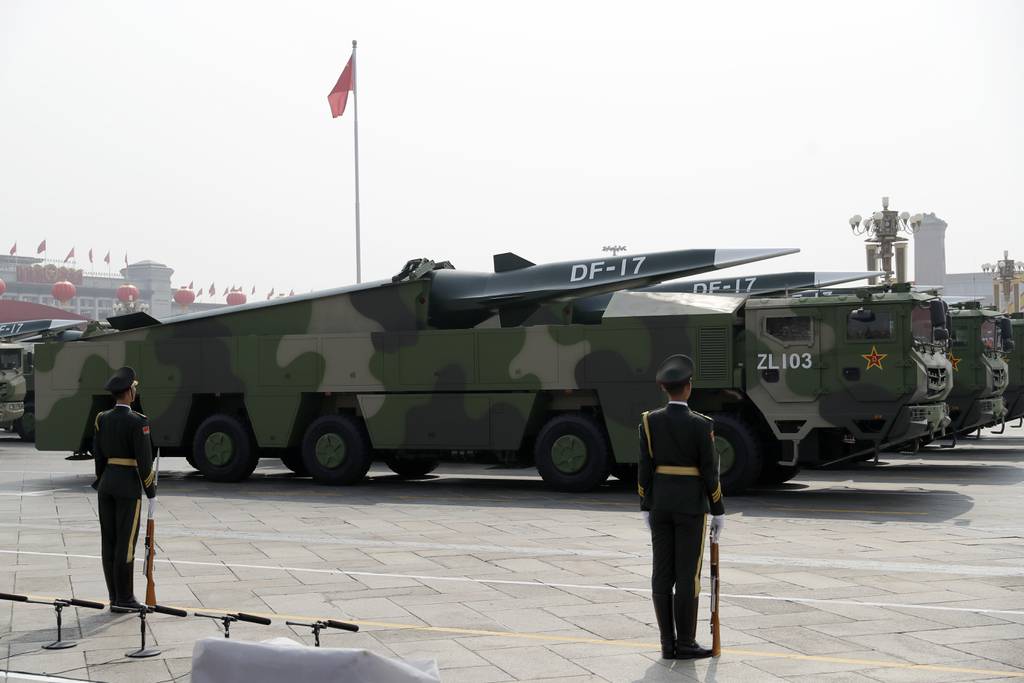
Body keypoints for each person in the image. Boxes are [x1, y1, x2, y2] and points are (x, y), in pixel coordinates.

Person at [638, 354, 725, 659]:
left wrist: (645, 505)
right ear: (688, 387)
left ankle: (666, 643)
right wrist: (718, 510)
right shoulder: (702, 425)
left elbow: (644, 468)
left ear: (665, 388)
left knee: (662, 574)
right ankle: (685, 642)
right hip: (690, 507)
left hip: (660, 505)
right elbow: (709, 471)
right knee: (688, 575)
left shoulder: (649, 421)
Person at [92, 366, 156, 612]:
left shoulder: (102, 418)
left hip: (106, 483)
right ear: (129, 392)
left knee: (108, 541)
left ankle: (114, 597)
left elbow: (98, 456)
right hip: (128, 486)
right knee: (126, 544)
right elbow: (144, 462)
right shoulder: (138, 421)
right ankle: (126, 599)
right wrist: (150, 491)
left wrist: (103, 479)